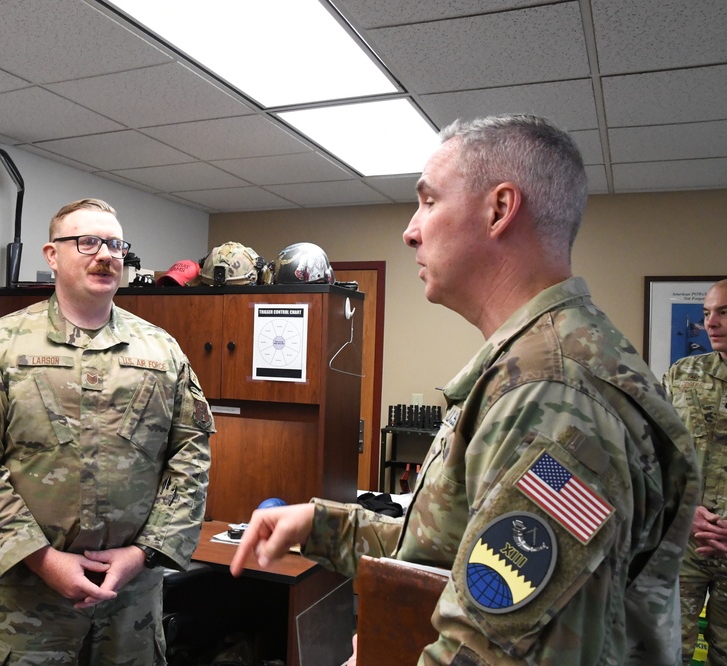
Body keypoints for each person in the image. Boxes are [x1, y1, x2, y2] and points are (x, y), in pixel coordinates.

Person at [230, 114, 699, 665]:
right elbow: (454, 554)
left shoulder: (553, 397)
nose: (410, 230)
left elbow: (497, 649)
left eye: (428, 201)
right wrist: (320, 523)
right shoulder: (532, 368)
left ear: (499, 209)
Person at [0, 198, 214, 665]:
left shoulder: (161, 349)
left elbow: (190, 456)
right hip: (27, 604)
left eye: (114, 244)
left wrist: (145, 553)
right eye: (87, 242)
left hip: (131, 603)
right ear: (52, 255)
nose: (104, 254)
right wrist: (43, 559)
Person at [664, 279, 727, 665]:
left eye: (723, 312)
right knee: (670, 652)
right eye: (706, 313)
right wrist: (682, 509)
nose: (711, 322)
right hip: (684, 542)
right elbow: (656, 454)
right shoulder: (681, 375)